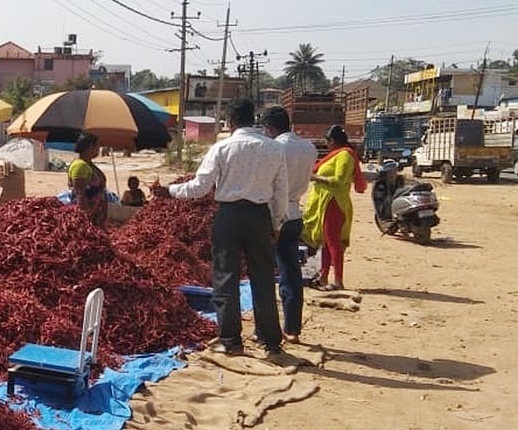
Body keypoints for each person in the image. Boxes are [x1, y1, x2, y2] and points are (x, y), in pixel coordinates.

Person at [151, 97, 290, 361]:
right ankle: (271, 341)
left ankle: (231, 340)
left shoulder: (222, 147)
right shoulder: (273, 149)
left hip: (229, 215)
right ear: (254, 120)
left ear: (232, 121)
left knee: (226, 276)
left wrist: (169, 191)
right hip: (260, 215)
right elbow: (280, 191)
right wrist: (276, 223)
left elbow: (200, 187)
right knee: (262, 278)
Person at [260, 106, 317, 344]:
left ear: (270, 128)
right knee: (291, 272)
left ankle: (266, 330)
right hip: (295, 212)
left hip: (275, 215)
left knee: (264, 274)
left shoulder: (274, 148)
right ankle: (292, 328)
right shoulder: (309, 148)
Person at [302, 124, 367, 291]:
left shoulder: (345, 155)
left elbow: (339, 180)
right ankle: (323, 277)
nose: (327, 145)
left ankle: (338, 280)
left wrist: (315, 177)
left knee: (334, 243)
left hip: (334, 202)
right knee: (326, 242)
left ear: (332, 141)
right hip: (325, 203)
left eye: (328, 141)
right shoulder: (336, 155)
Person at [67, 132, 108, 226]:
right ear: (90, 146)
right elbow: (79, 193)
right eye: (97, 145)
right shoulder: (80, 166)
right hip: (89, 217)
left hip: (97, 216)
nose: (99, 149)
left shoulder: (88, 164)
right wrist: (85, 219)